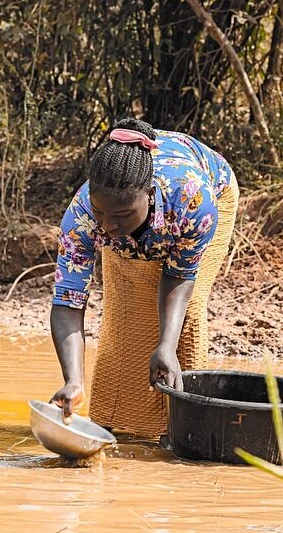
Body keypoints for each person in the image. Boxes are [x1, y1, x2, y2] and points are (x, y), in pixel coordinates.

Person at [48, 118, 238, 437]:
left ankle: (182, 432)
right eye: (101, 213)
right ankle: (118, 427)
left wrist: (166, 344)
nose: (107, 225)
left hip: (206, 199)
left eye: (120, 215)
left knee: (184, 322)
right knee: (127, 318)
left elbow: (179, 277)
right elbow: (67, 301)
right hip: (141, 225)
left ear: (149, 194)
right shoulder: (83, 216)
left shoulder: (194, 200)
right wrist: (72, 379)